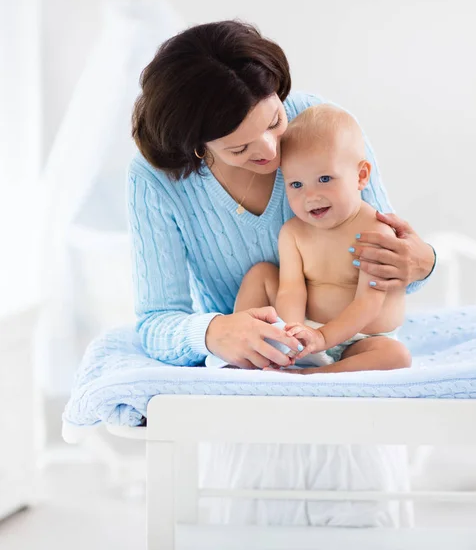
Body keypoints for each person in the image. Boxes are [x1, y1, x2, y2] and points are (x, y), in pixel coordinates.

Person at [129, 19, 436, 370]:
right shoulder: (154, 180)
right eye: (240, 147)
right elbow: (156, 322)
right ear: (197, 146)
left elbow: (394, 276)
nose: (271, 150)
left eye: (274, 121)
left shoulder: (319, 125)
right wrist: (215, 332)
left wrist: (422, 263)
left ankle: (311, 382)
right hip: (263, 346)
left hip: (355, 335)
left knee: (392, 355)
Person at [234, 104, 411, 373]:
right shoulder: (293, 232)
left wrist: (324, 338)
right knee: (261, 274)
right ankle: (246, 352)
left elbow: (368, 303)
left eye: (325, 178)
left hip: (362, 337)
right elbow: (291, 288)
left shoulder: (376, 232)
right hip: (309, 330)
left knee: (396, 356)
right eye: (296, 185)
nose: (310, 196)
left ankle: (315, 374)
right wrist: (293, 331)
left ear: (361, 176)